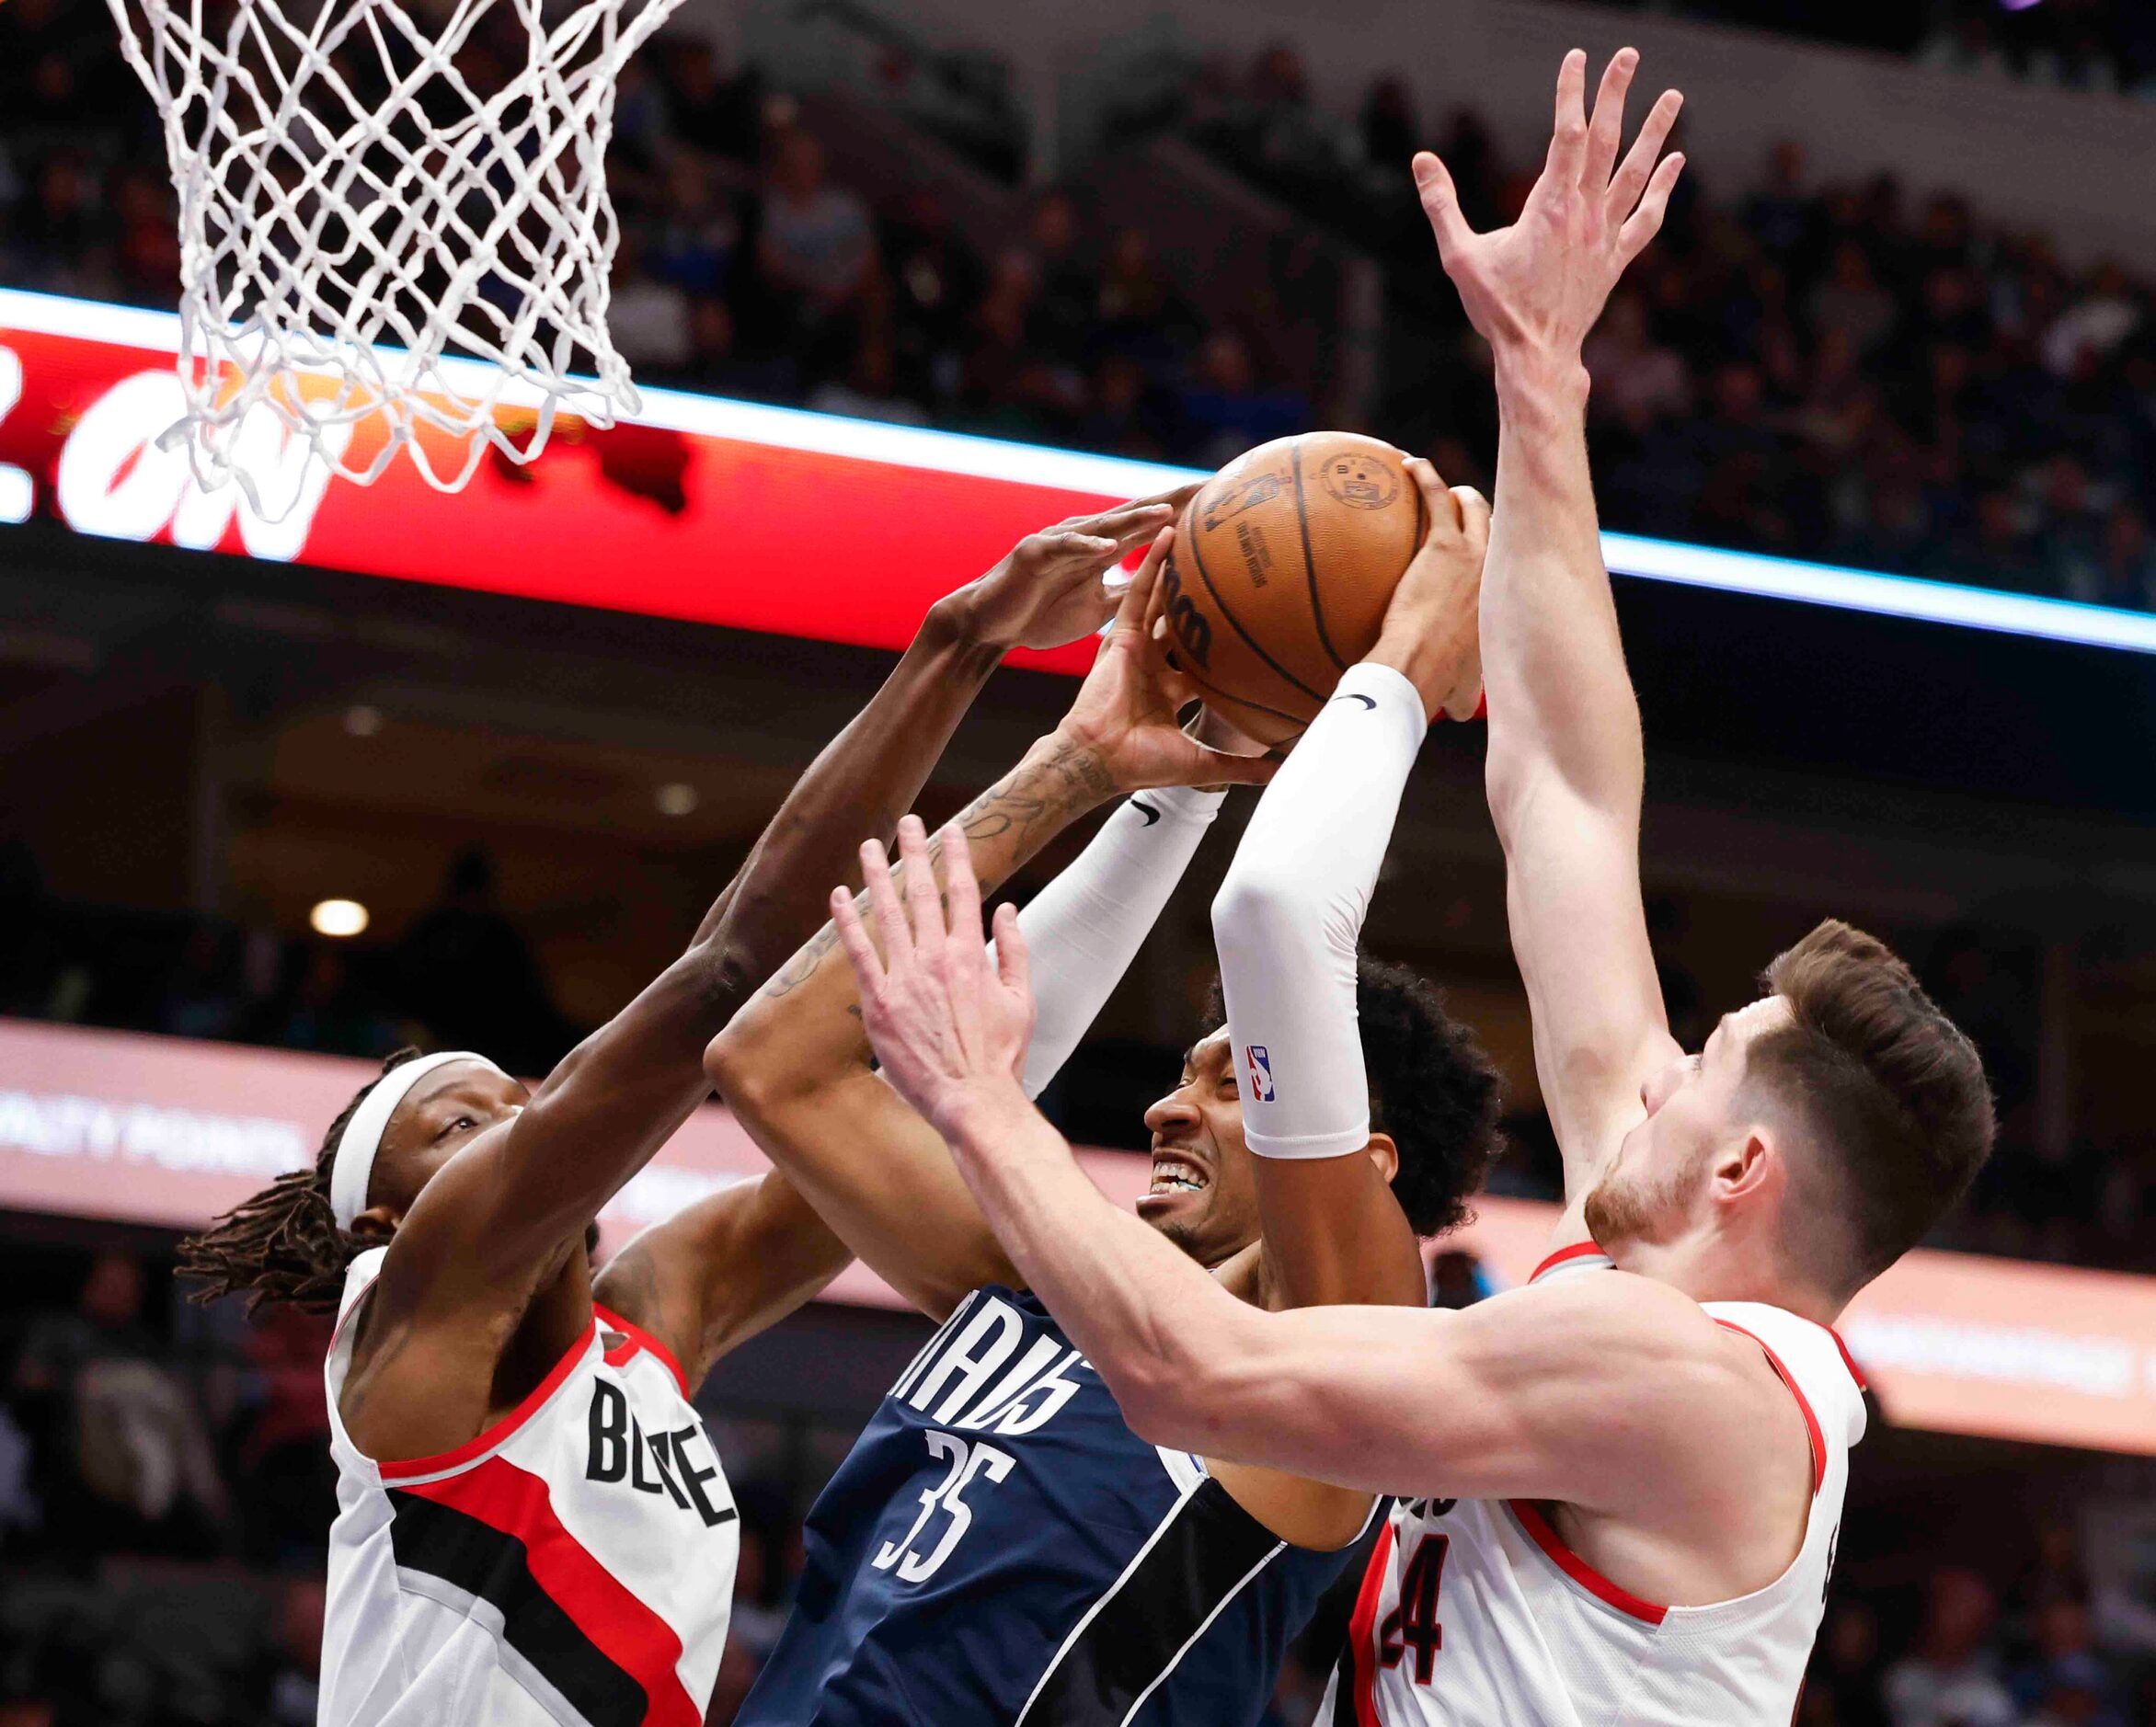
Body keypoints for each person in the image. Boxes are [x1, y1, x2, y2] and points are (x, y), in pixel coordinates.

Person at [835, 51, 1997, 1727]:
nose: (1646, 1068)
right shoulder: (1657, 1264)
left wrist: (970, 1094)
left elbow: (1195, 1371)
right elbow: (1569, 796)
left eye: (1696, 1068)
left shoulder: (1693, 1384)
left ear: (1741, 1164)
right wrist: (1542, 376)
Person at [172, 495, 1191, 1727]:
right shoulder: (407, 1315)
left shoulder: (649, 1321)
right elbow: (730, 972)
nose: (526, 1120)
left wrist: (1167, 791)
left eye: (526, 1093)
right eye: (463, 1125)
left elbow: (956, 1099)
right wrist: (960, 644)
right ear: (391, 1220)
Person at [705, 503, 1501, 1725]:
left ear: (1361, 1155)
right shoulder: (1047, 1288)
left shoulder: (1337, 1359)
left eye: (1234, 1082)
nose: (1168, 1106)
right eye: (1187, 1071)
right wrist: (1102, 765)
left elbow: (1283, 907)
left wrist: (1392, 676)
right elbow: (770, 1060)